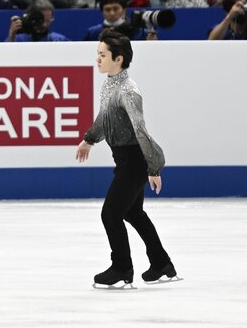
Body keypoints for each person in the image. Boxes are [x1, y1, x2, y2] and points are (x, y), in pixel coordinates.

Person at [75, 31, 176, 288]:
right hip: (124, 159)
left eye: (102, 55)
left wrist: (153, 167)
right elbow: (104, 117)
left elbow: (140, 129)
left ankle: (122, 267)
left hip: (136, 160)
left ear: (118, 59)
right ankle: (161, 263)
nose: (97, 59)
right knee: (133, 213)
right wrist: (89, 139)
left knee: (110, 214)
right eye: (97, 53)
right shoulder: (110, 84)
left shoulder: (128, 91)